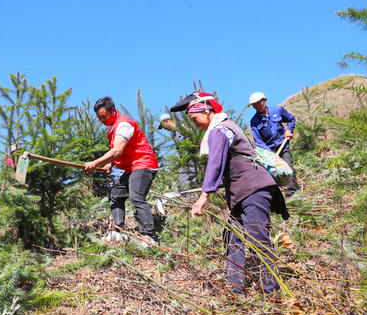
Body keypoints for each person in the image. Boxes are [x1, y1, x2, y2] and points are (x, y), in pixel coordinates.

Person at [171, 92, 288, 295]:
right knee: (231, 235)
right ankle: (235, 288)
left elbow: (215, 164)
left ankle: (273, 292)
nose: (196, 124)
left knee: (258, 239)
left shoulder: (220, 130)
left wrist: (204, 196)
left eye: (195, 118)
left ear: (207, 111)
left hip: (253, 190)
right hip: (243, 194)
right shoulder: (227, 127)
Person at [84, 96, 159, 246]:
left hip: (143, 165)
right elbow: (117, 150)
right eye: (99, 118)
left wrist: (95, 163)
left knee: (136, 197)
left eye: (104, 116)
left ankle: (150, 237)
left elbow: (117, 150)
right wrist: (109, 164)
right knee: (116, 195)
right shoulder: (114, 127)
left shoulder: (123, 124)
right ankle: (119, 230)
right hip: (132, 168)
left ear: (113, 111)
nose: (102, 120)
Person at [249, 92, 300, 196]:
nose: (257, 107)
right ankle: (275, 197)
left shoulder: (278, 110)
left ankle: (293, 193)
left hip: (283, 145)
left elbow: (291, 119)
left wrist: (289, 130)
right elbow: (258, 141)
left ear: (265, 100)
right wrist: (270, 155)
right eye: (254, 105)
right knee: (271, 175)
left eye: (259, 103)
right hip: (270, 152)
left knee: (288, 167)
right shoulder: (254, 121)